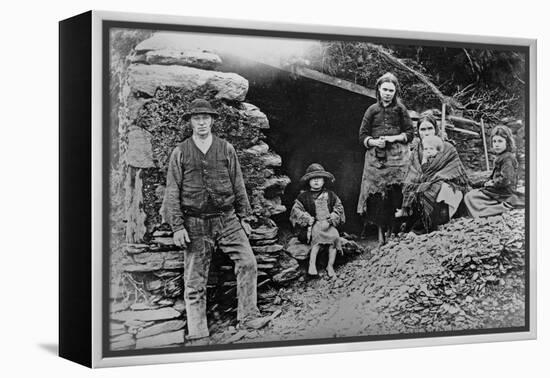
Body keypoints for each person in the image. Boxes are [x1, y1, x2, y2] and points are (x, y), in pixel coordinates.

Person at [162, 98, 271, 345]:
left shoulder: (226, 149)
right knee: (194, 279)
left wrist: (244, 217)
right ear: (190, 122)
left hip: (227, 218)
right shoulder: (180, 152)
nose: (201, 122)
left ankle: (248, 316)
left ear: (212, 120)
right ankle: (199, 332)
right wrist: (177, 226)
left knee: (248, 263)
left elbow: (238, 183)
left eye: (205, 118)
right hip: (195, 223)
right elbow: (172, 191)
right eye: (196, 118)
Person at [357, 72, 414, 245]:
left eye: (391, 90)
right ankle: (381, 234)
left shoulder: (400, 109)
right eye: (385, 89)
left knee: (397, 194)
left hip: (398, 159)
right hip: (377, 161)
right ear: (378, 90)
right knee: (377, 197)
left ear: (395, 91)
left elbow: (410, 133)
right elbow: (362, 136)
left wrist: (393, 138)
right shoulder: (372, 110)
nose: (388, 93)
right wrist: (374, 142)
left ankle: (394, 231)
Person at [400, 111, 470, 232]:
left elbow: (456, 172)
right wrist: (420, 183)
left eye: (430, 128)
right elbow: (412, 175)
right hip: (424, 186)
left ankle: (431, 225)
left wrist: (434, 179)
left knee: (437, 187)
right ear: (418, 131)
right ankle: (417, 225)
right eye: (423, 129)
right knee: (412, 190)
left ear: (436, 129)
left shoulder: (448, 148)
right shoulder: (416, 153)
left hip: (447, 186)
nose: (426, 133)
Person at [289, 163, 345, 278]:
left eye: (319, 179)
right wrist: (307, 218)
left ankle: (330, 266)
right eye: (313, 179)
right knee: (317, 240)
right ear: (308, 181)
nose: (316, 181)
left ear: (324, 181)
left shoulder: (331, 195)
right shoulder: (303, 196)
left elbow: (339, 207)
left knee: (335, 238)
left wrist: (332, 218)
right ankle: (312, 265)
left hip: (328, 224)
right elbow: (296, 211)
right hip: (313, 225)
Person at [464, 125, 524, 218]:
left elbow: (506, 179)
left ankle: (499, 208)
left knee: (471, 197)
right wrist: (483, 183)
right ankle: (486, 208)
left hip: (504, 191)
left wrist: (492, 183)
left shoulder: (508, 158)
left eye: (500, 141)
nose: (496, 144)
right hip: (498, 189)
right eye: (494, 141)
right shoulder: (501, 157)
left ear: (507, 143)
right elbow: (495, 176)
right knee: (471, 194)